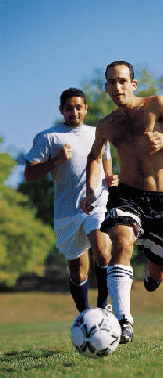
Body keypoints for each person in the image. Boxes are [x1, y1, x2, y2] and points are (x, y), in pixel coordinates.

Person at [80, 61, 163, 343]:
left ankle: (157, 275)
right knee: (121, 243)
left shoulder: (156, 105)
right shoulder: (107, 125)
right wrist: (90, 190)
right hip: (126, 195)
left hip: (162, 201)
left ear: (133, 84)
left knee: (159, 269)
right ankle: (124, 323)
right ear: (106, 87)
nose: (117, 86)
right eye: (112, 82)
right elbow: (94, 157)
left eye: (123, 81)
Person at [24, 88, 118, 313]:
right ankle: (85, 315)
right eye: (69, 108)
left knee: (103, 251)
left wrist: (111, 179)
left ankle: (104, 306)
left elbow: (106, 166)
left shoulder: (98, 133)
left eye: (78, 107)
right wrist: (55, 161)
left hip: (96, 201)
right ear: (61, 110)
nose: (74, 112)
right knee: (78, 271)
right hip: (66, 210)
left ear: (85, 109)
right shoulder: (49, 137)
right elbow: (29, 173)